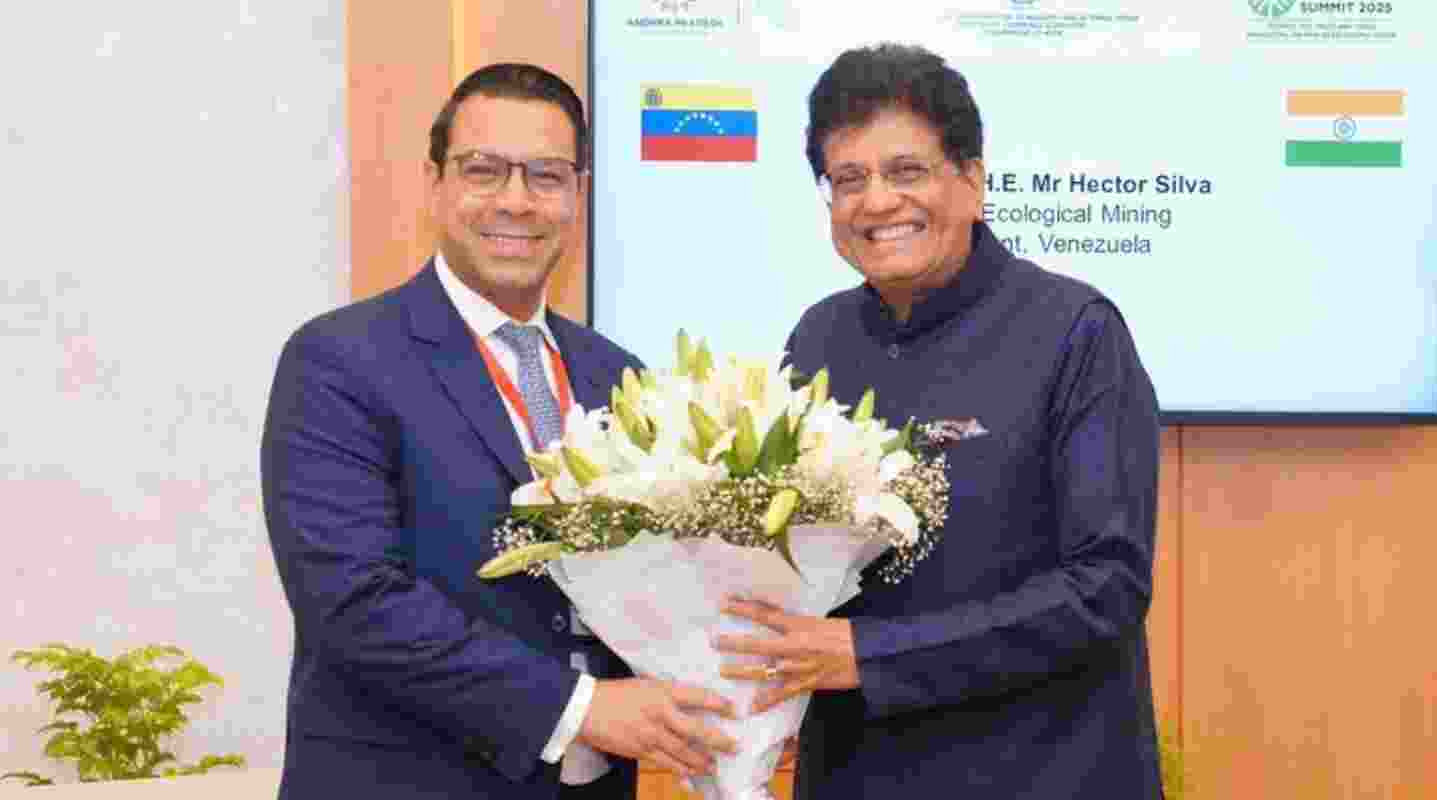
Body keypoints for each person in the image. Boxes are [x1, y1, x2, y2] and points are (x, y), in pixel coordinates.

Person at [262, 63, 736, 800]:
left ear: (577, 194)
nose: (516, 201)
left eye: (546, 176)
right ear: (435, 183)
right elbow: (354, 602)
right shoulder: (339, 360)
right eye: (484, 170)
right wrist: (581, 709)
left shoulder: (619, 376)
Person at [715, 44, 1164, 798]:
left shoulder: (1075, 331)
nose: (877, 202)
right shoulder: (818, 339)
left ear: (973, 182)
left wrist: (869, 655)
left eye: (906, 171)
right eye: (848, 179)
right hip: (857, 772)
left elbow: (1106, 586)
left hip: (1042, 771)